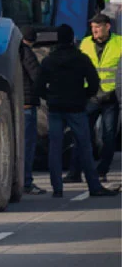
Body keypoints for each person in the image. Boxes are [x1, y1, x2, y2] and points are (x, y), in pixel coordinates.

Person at [37, 24, 118, 197]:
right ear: (72, 39)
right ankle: (94, 186)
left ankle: (57, 189)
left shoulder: (48, 61)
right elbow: (94, 82)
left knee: (55, 149)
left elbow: (39, 86)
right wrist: (85, 96)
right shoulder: (81, 59)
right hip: (76, 108)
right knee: (85, 147)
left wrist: (50, 98)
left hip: (56, 109)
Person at [66, 13, 121, 183]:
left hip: (111, 97)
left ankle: (102, 170)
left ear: (107, 27)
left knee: (109, 136)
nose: (95, 31)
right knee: (81, 135)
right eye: (92, 28)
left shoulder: (119, 43)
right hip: (90, 97)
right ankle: (75, 172)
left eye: (98, 27)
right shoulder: (86, 43)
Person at [20, 27, 45, 195]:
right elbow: (37, 75)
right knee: (27, 146)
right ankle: (27, 182)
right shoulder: (26, 52)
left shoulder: (8, 52)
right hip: (27, 104)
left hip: (17, 104)